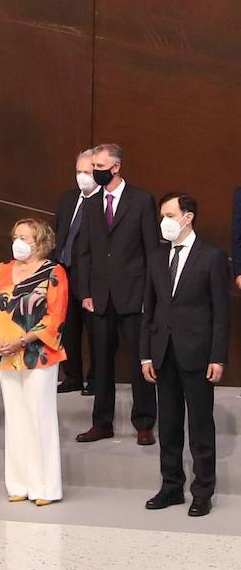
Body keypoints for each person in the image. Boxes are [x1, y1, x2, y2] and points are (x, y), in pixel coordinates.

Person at [141, 193, 230, 517]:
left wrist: (217, 357)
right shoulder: (156, 257)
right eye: (162, 216)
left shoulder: (212, 257)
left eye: (169, 215)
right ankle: (171, 486)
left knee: (201, 425)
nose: (163, 221)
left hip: (198, 353)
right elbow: (149, 309)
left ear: (188, 217)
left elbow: (221, 313)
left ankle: (203, 491)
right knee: (169, 424)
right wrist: (145, 355)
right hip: (163, 352)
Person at [74, 144, 159, 446]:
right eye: (92, 166)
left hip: (134, 294)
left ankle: (144, 423)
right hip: (99, 296)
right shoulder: (90, 204)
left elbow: (151, 251)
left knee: (139, 360)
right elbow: (83, 252)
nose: (94, 171)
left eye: (99, 166)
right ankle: (102, 423)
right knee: (101, 361)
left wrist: (150, 294)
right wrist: (85, 291)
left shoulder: (141, 200)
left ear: (116, 167)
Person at [0, 219, 69, 506]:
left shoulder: (54, 272)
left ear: (40, 242)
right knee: (16, 419)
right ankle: (19, 484)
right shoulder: (2, 269)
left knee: (39, 418)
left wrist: (21, 341)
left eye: (24, 237)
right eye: (15, 236)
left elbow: (54, 318)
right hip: (5, 355)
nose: (17, 242)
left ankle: (45, 487)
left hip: (37, 356)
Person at [51, 151, 98, 394]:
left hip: (91, 277)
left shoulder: (103, 203)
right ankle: (72, 376)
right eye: (79, 171)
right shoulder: (68, 199)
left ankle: (96, 379)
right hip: (64, 272)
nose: (82, 177)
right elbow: (59, 233)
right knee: (67, 327)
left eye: (87, 172)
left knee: (95, 331)